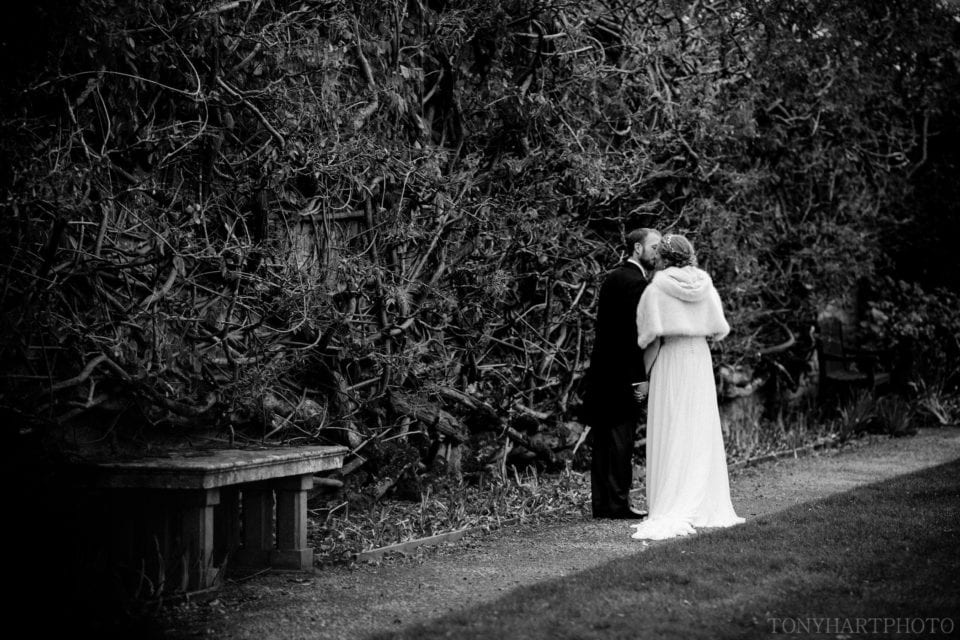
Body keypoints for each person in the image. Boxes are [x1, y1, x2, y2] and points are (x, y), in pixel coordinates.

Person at [629, 234, 745, 539]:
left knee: (672, 424)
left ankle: (672, 500)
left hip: (671, 358)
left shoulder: (657, 288)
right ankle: (705, 499)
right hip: (698, 360)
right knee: (698, 426)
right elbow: (719, 328)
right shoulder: (704, 284)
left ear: (663, 258)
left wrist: (644, 375)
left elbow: (649, 337)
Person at [581, 227, 661, 519]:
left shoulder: (614, 277)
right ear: (637, 248)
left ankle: (603, 503)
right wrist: (643, 379)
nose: (658, 252)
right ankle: (617, 503)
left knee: (604, 441)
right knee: (621, 441)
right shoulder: (636, 283)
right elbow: (635, 337)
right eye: (653, 247)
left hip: (603, 374)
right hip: (627, 376)